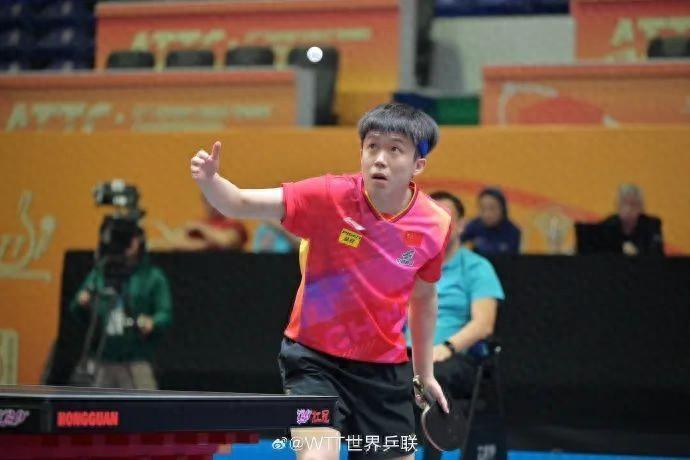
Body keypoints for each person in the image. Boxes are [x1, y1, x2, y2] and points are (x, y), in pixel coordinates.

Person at [190, 103, 451, 459]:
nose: (379, 159)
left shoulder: (434, 223)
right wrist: (210, 181)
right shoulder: (329, 195)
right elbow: (239, 202)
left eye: (395, 149)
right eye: (372, 146)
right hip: (314, 361)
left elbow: (424, 298)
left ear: (418, 164)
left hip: (384, 371)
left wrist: (424, 374)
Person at [409, 191, 505, 459]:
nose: (438, 223)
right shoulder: (410, 264)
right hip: (406, 355)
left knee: (432, 377)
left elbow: (483, 324)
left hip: (453, 359)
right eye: (431, 216)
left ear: (461, 225)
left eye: (446, 216)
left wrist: (447, 347)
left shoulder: (477, 267)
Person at [70, 226, 173, 389]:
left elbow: (165, 313)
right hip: (102, 358)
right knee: (96, 403)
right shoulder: (100, 273)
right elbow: (76, 308)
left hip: (136, 358)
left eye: (130, 239)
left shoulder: (152, 276)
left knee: (142, 400)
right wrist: (82, 302)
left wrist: (153, 322)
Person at [600, 183, 663, 255]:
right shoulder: (608, 224)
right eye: (624, 204)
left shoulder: (652, 225)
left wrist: (636, 255)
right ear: (617, 206)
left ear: (641, 208)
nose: (628, 209)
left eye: (633, 204)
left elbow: (657, 255)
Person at [170, 194, 248, 251]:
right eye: (209, 200)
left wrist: (200, 228)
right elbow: (174, 243)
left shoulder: (234, 224)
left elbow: (226, 242)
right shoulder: (196, 224)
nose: (213, 204)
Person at [461, 187, 520, 255]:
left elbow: (513, 258)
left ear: (503, 209)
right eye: (483, 209)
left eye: (492, 208)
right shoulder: (473, 226)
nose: (487, 214)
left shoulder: (513, 231)